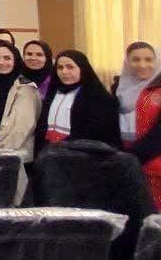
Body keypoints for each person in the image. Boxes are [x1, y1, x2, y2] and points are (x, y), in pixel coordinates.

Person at [36, 50, 120, 152]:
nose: (64, 72)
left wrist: (64, 146)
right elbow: (42, 125)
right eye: (60, 67)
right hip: (50, 152)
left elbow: (97, 132)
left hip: (82, 154)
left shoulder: (97, 95)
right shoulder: (53, 92)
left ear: (82, 69)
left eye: (70, 67)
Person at [116, 42, 160, 206]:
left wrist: (130, 156)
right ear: (127, 62)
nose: (142, 65)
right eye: (135, 60)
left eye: (148, 59)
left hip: (152, 159)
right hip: (125, 159)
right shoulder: (118, 88)